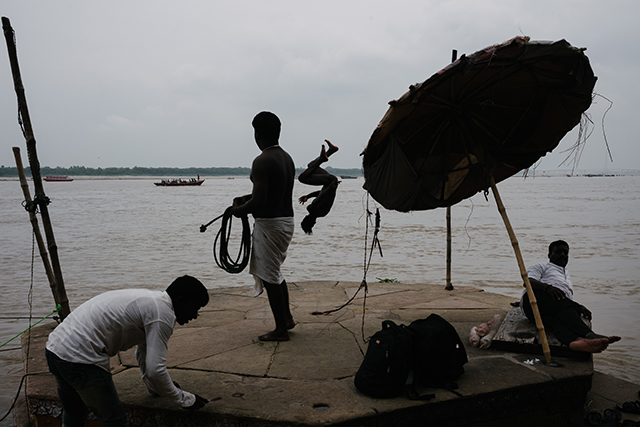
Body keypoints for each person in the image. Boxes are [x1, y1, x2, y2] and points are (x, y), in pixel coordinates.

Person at [45, 275, 210, 426]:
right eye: (195, 308)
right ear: (180, 301)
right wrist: (184, 399)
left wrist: (156, 388)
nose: (195, 316)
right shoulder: (163, 314)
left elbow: (144, 351)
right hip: (80, 359)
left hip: (55, 350)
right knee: (115, 420)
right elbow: (155, 370)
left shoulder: (152, 302)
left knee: (75, 413)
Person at [230, 111, 296, 342]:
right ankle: (286, 318)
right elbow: (272, 193)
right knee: (275, 272)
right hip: (285, 221)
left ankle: (281, 329)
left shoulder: (262, 160)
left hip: (270, 224)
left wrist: (236, 211)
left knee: (270, 276)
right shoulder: (286, 158)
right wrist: (246, 199)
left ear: (257, 134)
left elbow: (259, 201)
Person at [521, 240, 621, 353]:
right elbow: (527, 281)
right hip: (533, 302)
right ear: (549, 255)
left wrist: (577, 306)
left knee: (557, 321)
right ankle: (589, 334)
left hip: (546, 312)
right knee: (563, 302)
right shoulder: (542, 266)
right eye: (558, 252)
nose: (562, 255)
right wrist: (547, 288)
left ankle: (575, 341)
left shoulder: (566, 274)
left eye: (565, 252)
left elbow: (565, 303)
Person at [297, 140, 340, 234]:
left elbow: (321, 195)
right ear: (305, 219)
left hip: (331, 182)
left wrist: (308, 196)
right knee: (302, 178)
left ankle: (331, 150)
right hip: (330, 182)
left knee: (311, 165)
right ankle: (322, 159)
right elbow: (321, 197)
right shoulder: (311, 209)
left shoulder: (323, 214)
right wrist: (330, 187)